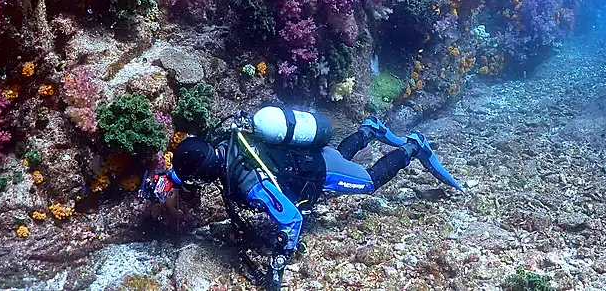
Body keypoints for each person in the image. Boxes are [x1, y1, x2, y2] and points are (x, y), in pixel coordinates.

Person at [139, 108, 462, 289]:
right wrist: (169, 180)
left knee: (367, 182)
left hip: (318, 170)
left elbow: (292, 218)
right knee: (340, 155)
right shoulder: (225, 142)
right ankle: (368, 129)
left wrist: (278, 262)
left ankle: (412, 146)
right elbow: (190, 164)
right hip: (305, 156)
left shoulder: (247, 180)